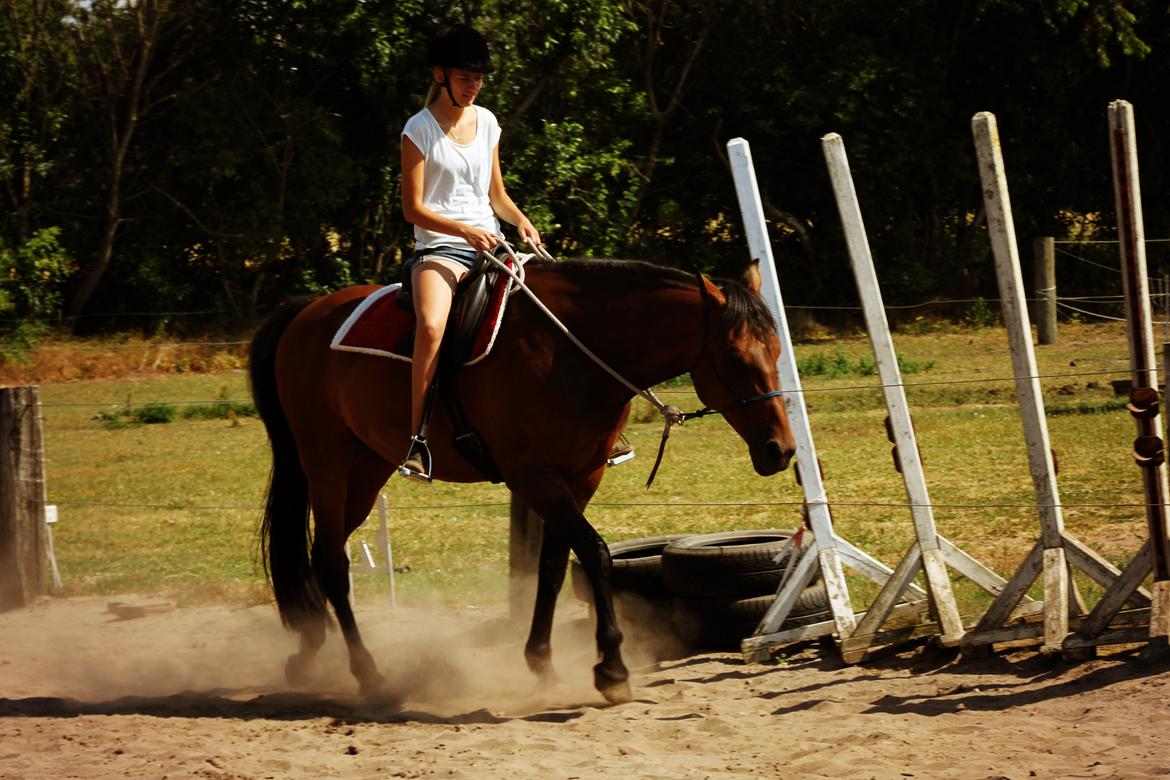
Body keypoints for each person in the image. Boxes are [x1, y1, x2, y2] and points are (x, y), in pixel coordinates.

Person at [398, 24, 541, 482]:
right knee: (433, 324)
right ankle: (417, 439)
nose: (474, 85)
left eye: (478, 78)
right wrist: (463, 230)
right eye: (465, 76)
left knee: (554, 308)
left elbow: (496, 194)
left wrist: (519, 220)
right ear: (440, 75)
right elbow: (413, 209)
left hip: (492, 245)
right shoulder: (418, 130)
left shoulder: (489, 123)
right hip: (441, 249)